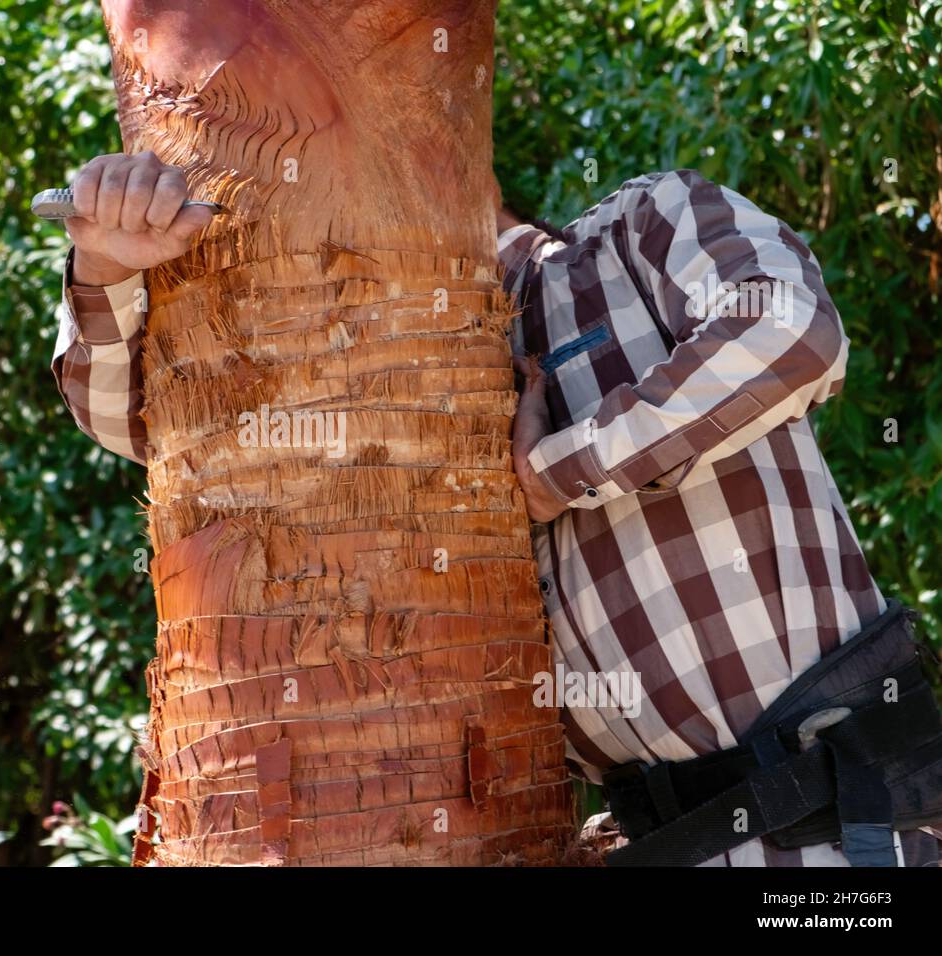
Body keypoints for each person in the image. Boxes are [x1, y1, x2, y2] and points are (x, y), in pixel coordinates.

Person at [50, 150, 942, 867]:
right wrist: (106, 268)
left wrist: (558, 470)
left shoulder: (637, 233)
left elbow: (792, 332)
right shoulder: (365, 375)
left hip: (849, 831)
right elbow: (146, 425)